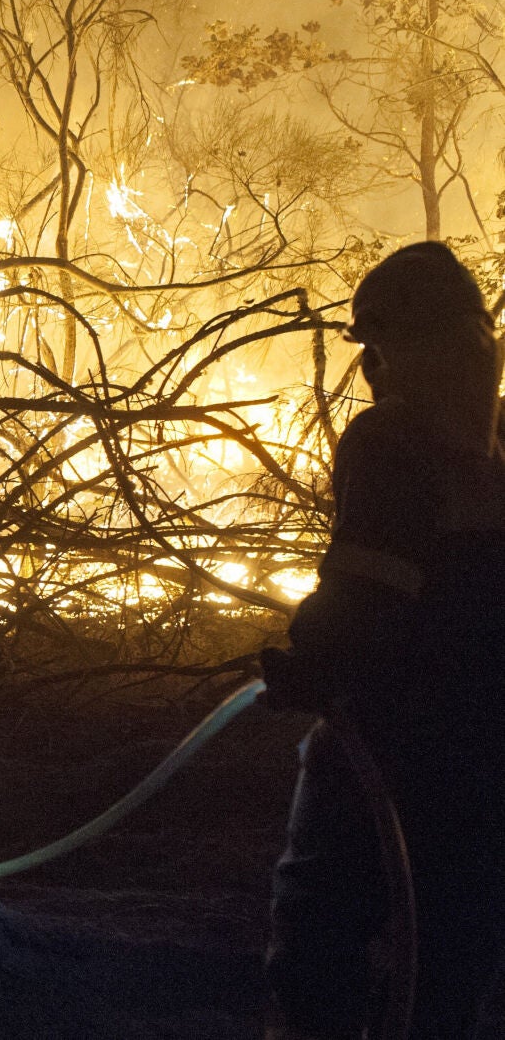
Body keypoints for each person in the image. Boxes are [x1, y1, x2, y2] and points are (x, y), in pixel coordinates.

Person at [260, 241, 505, 1039]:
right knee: (449, 964)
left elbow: (367, 596)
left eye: (379, 351)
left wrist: (309, 660)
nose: (373, 372)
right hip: (484, 760)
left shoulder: (389, 442)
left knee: (316, 933)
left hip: (385, 743)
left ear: (408, 347)